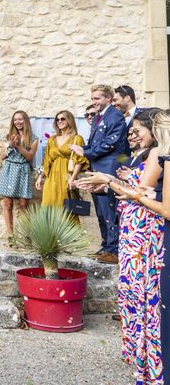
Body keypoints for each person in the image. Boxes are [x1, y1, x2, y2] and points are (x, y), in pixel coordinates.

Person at [85, 109, 168, 384]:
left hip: (144, 229)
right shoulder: (144, 155)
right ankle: (140, 353)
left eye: (137, 130)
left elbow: (140, 191)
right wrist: (111, 184)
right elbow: (135, 190)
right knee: (132, 289)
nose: (132, 135)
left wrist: (108, 180)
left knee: (143, 289)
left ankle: (149, 358)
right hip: (134, 226)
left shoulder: (158, 154)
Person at [70, 84, 127, 264]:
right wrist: (82, 149)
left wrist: (86, 152)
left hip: (109, 168)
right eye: (92, 98)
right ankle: (106, 246)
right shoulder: (96, 118)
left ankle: (114, 249)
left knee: (110, 208)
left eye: (97, 99)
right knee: (101, 211)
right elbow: (95, 144)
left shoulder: (115, 116)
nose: (93, 102)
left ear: (107, 99)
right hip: (97, 168)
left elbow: (111, 143)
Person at [35, 111, 89, 223]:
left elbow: (79, 161)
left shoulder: (77, 138)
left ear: (69, 120)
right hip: (51, 179)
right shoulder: (52, 140)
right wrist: (40, 177)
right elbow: (46, 161)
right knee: (48, 205)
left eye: (63, 119)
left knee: (66, 208)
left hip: (67, 176)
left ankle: (68, 239)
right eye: (57, 119)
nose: (59, 121)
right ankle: (50, 238)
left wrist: (73, 178)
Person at [0, 111, 38, 237]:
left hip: (23, 171)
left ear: (25, 120)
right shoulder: (8, 136)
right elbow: (2, 157)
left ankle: (27, 236)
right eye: (15, 120)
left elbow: (30, 156)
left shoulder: (33, 138)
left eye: (20, 119)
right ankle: (11, 235)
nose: (18, 122)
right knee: (7, 203)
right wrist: (10, 145)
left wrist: (19, 146)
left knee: (24, 204)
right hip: (9, 170)